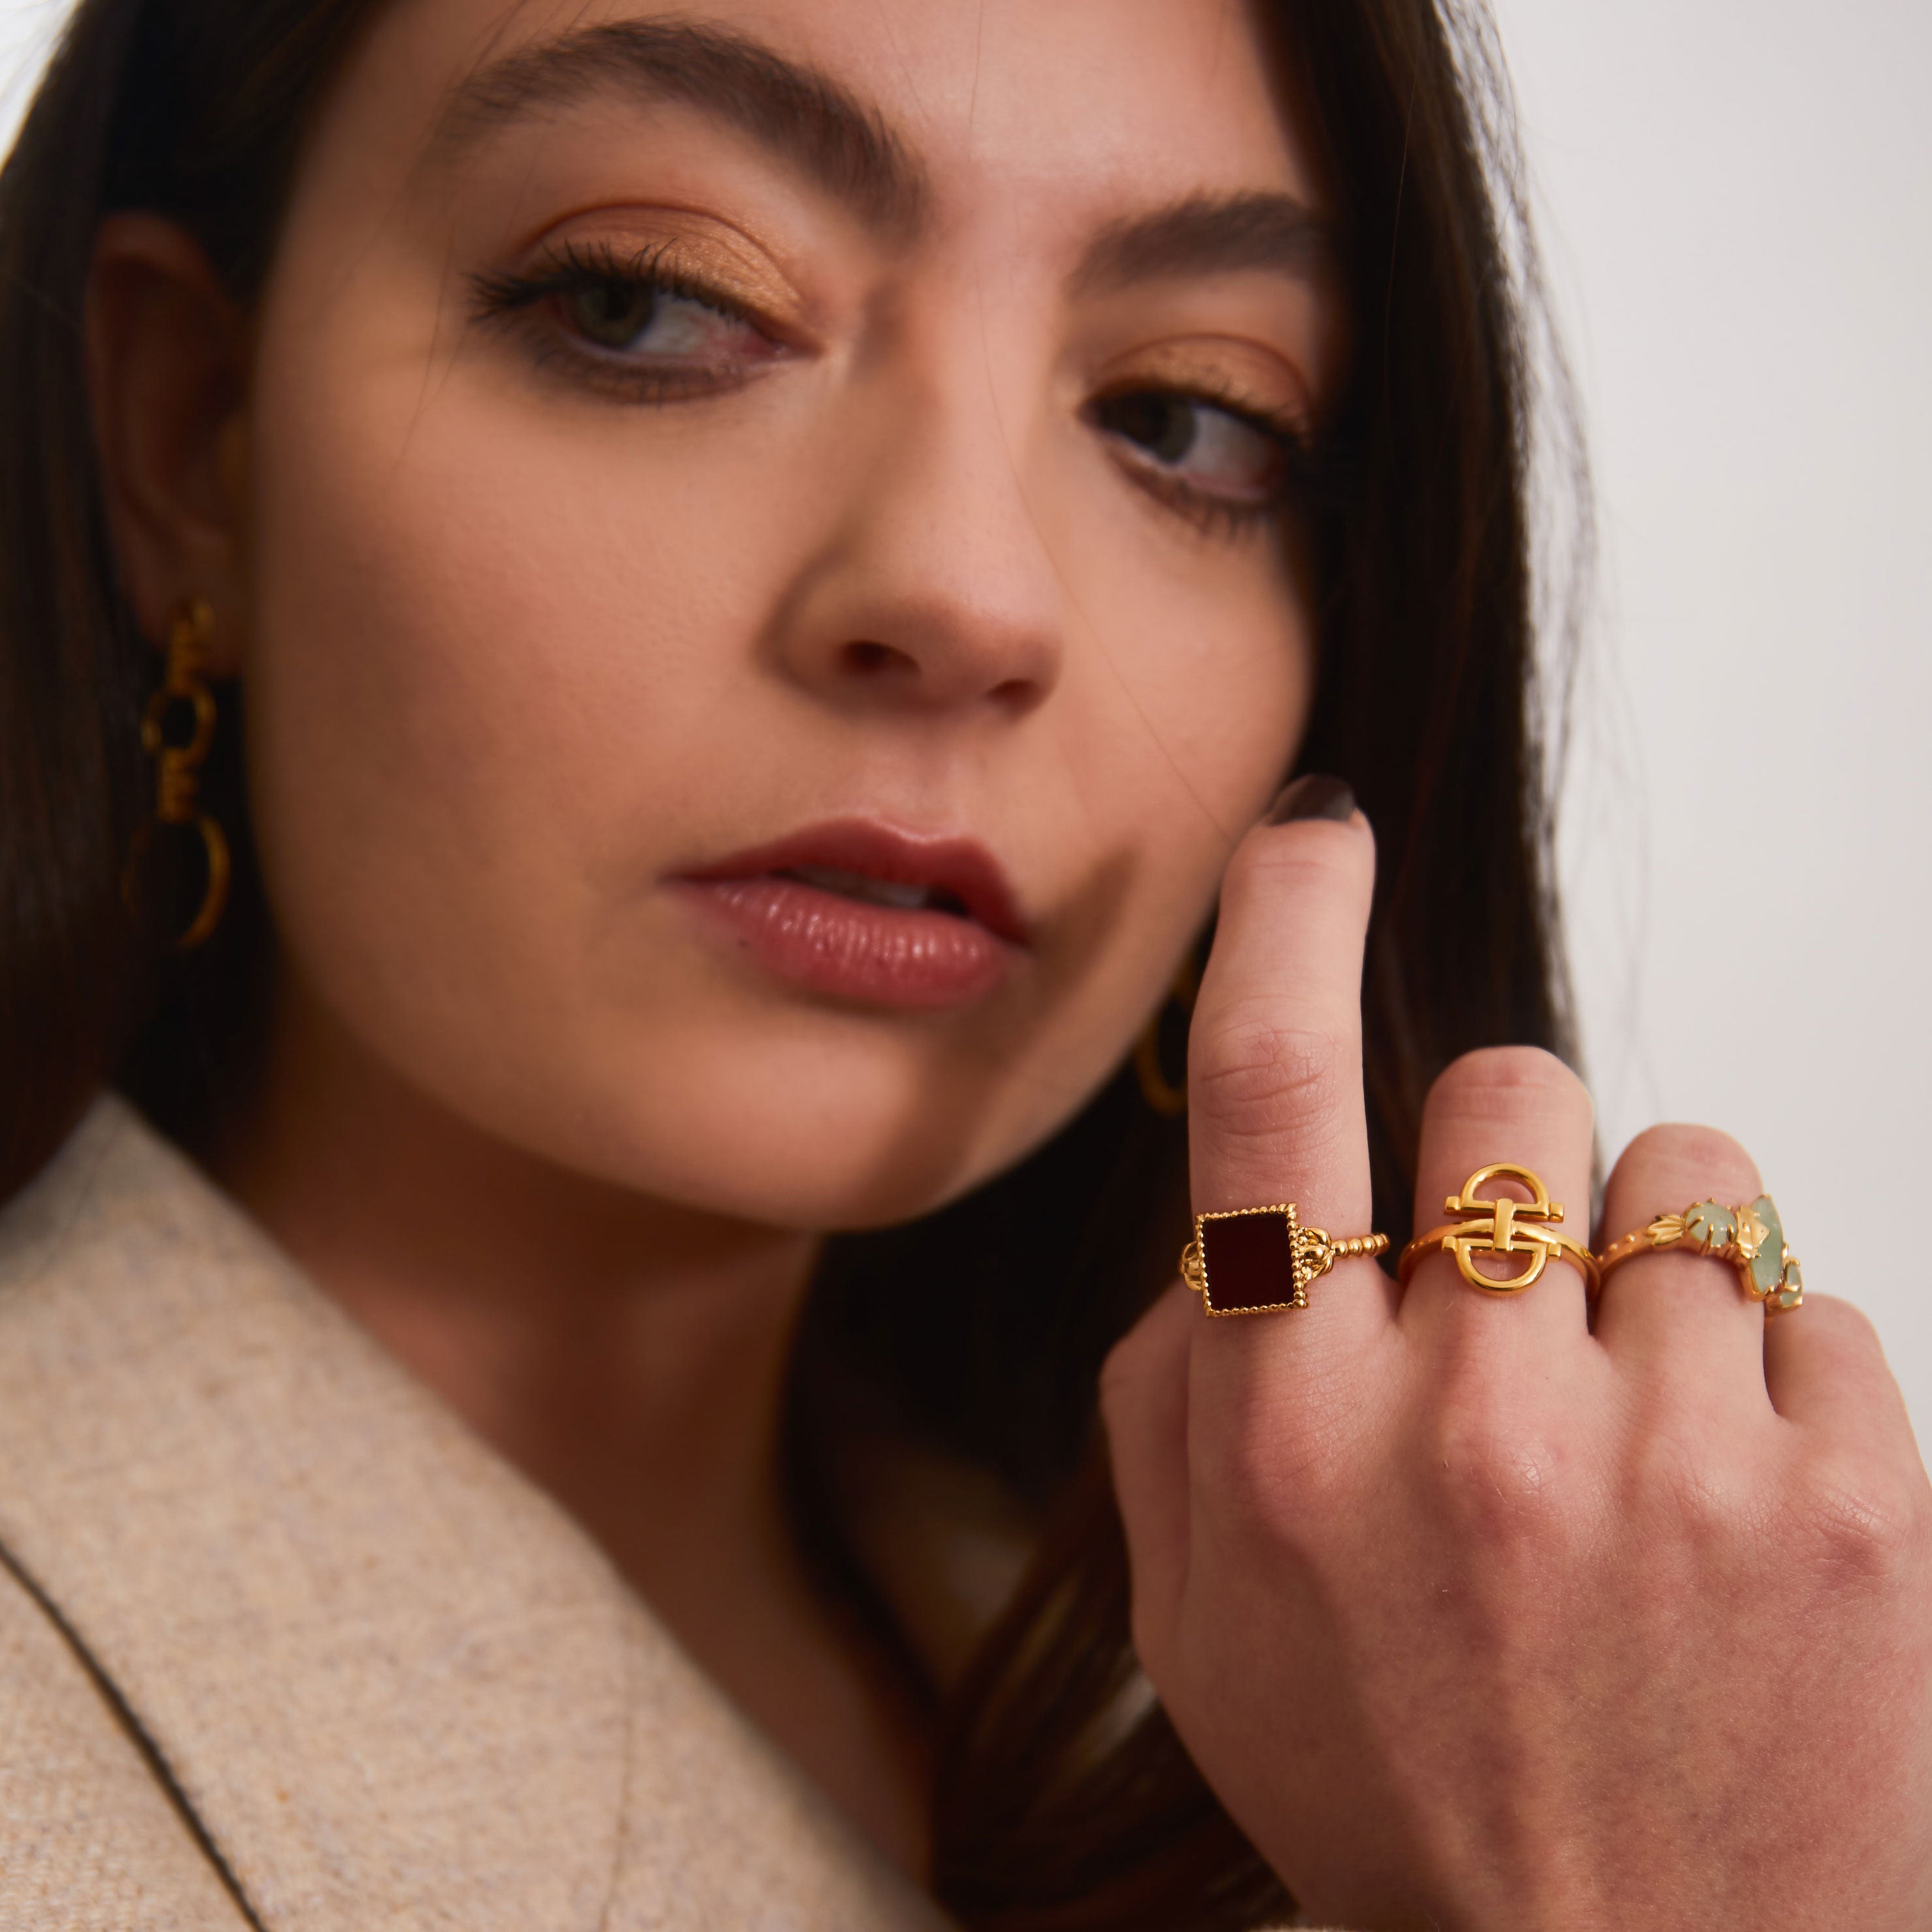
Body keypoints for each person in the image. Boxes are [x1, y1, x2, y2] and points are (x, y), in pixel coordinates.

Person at [1, 0, 1927, 1924]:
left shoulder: (1301, 1695)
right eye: (647, 302)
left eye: (1184, 420)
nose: (967, 592)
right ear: (192, 438)